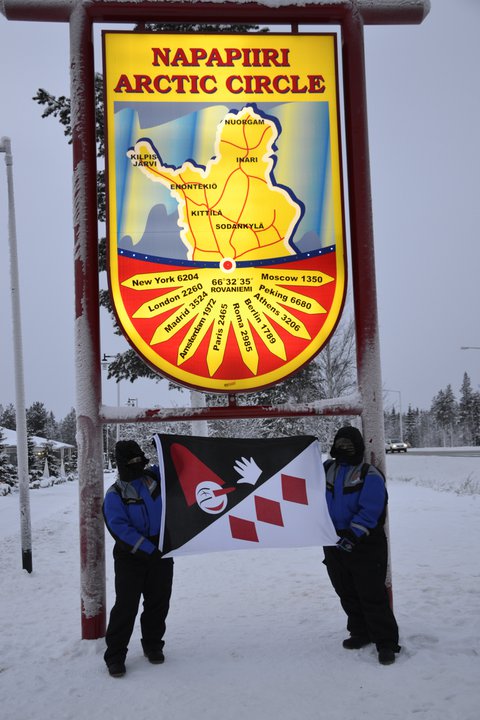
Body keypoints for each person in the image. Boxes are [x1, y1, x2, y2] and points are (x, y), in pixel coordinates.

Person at [323, 426, 400, 666]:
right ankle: (360, 632)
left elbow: (372, 509)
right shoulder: (325, 470)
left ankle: (386, 643)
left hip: (365, 543)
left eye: (349, 444)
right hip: (332, 540)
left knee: (372, 593)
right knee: (345, 591)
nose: (344, 448)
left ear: (359, 447)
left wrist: (354, 535)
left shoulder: (369, 474)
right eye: (340, 443)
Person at [102, 440, 174, 678]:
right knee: (126, 605)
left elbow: (173, 464)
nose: (137, 465)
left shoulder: (154, 480)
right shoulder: (115, 495)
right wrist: (147, 549)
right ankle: (115, 655)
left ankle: (153, 645)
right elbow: (120, 529)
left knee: (158, 601)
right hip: (130, 556)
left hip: (161, 551)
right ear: (121, 464)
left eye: (139, 460)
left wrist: (164, 446)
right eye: (131, 461)